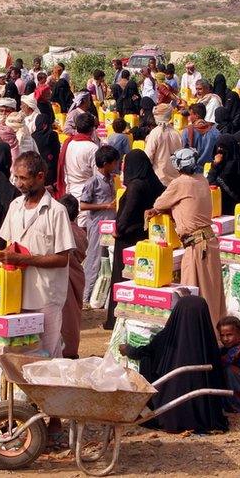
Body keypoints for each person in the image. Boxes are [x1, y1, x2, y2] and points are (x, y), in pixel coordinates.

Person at [0, 152, 76, 357]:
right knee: (20, 354)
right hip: (16, 294)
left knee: (47, 354)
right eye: (16, 178)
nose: (18, 184)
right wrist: (0, 257)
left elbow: (62, 258)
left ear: (40, 177)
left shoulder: (56, 211)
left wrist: (22, 259)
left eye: (23, 178)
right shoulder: (15, 206)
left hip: (45, 297)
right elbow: (9, 246)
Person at [119, 296, 229, 433]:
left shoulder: (167, 337)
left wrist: (128, 349)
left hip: (169, 412)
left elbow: (144, 352)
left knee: (148, 359)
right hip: (205, 414)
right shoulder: (208, 341)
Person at [148, 148, 226, 330]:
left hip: (197, 246)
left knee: (193, 294)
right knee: (212, 294)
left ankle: (201, 337)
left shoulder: (180, 183)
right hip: (208, 241)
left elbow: (159, 204)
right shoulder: (202, 179)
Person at [104, 151, 166, 328]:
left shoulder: (136, 186)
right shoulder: (154, 182)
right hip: (146, 236)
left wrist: (118, 229)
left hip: (128, 237)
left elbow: (129, 211)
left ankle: (117, 319)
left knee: (122, 276)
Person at [79, 146, 120, 306]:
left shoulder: (112, 178)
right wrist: (105, 206)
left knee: (107, 257)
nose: (116, 164)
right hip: (97, 224)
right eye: (114, 162)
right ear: (105, 163)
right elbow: (83, 205)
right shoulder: (92, 182)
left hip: (110, 223)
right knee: (94, 258)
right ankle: (86, 295)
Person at [57, 194, 88, 359]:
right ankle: (69, 350)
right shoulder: (80, 232)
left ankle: (63, 351)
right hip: (75, 277)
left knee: (63, 316)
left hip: (61, 277)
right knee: (72, 316)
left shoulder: (57, 229)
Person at [56, 112, 98, 202]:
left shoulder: (67, 144)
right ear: (92, 129)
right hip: (86, 197)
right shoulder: (93, 148)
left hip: (70, 193)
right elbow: (97, 176)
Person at [144, 103, 181, 184]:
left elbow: (148, 156)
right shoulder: (176, 133)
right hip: (175, 178)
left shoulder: (155, 133)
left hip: (160, 179)